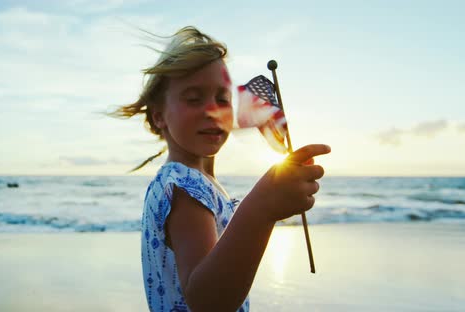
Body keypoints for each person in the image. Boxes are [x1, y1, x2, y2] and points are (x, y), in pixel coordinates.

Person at [112, 26, 330, 312]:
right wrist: (261, 209)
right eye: (193, 98)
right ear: (159, 115)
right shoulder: (184, 187)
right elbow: (208, 302)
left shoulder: (194, 181)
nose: (212, 110)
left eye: (222, 99)